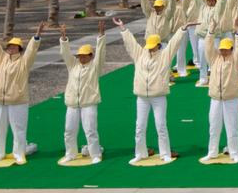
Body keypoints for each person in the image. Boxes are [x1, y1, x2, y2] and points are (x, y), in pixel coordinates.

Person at [115, 16, 192, 165]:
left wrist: (183, 29)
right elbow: (130, 43)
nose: (150, 48)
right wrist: (123, 29)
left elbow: (174, 43)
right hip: (142, 97)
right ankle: (140, 153)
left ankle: (165, 153)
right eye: (148, 45)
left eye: (153, 46)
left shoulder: (165, 56)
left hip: (158, 97)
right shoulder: (139, 54)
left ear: (158, 45)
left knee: (161, 126)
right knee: (139, 126)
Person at [0, 17, 43, 164]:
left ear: (19, 49)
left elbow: (32, 50)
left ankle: (19, 153)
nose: (11, 48)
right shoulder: (1, 58)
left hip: (18, 101)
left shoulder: (24, 61)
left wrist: (37, 35)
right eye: (10, 46)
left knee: (18, 129)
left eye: (15, 47)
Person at [58, 20, 106, 164]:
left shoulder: (95, 66)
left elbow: (101, 53)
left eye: (85, 55)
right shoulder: (73, 64)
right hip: (72, 104)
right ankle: (70, 154)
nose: (82, 57)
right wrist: (64, 39)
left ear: (91, 55)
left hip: (89, 103)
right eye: (80, 55)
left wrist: (101, 36)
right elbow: (65, 53)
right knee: (69, 131)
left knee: (90, 130)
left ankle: (95, 154)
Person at [202, 18, 238, 163]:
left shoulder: (236, 60)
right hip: (215, 99)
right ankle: (212, 152)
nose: (223, 51)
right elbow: (208, 46)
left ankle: (234, 153)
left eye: (226, 48)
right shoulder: (214, 59)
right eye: (221, 48)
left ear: (231, 49)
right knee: (214, 127)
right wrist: (211, 30)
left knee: (232, 127)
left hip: (231, 99)